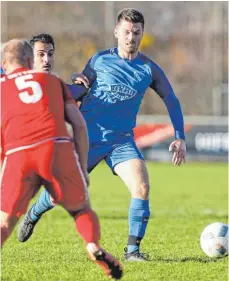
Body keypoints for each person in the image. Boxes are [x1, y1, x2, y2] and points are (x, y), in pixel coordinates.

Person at [18, 8, 186, 261]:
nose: (131, 37)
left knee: (141, 186)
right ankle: (34, 214)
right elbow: (80, 90)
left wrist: (180, 135)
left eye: (137, 32)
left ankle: (132, 252)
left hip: (121, 141)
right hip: (88, 139)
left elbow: (171, 99)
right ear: (117, 32)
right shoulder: (99, 60)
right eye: (127, 31)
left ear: (142, 34)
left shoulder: (149, 69)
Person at [1, 38, 123, 280]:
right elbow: (78, 124)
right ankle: (93, 246)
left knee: (4, 223)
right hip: (58, 150)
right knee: (80, 210)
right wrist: (81, 165)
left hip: (19, 155)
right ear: (29, 60)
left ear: (4, 64)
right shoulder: (53, 81)